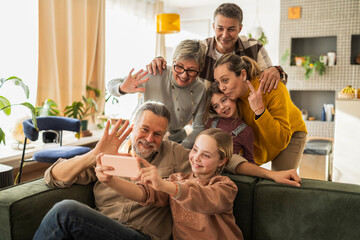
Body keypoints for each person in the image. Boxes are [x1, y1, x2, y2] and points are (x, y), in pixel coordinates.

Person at [33, 101, 301, 240]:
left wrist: (270, 174)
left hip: (141, 236)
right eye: (145, 130)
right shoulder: (109, 152)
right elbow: (54, 177)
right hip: (100, 231)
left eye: (158, 134)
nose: (150, 139)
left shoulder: (178, 160)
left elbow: (222, 161)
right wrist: (94, 155)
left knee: (64, 212)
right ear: (132, 126)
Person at [95, 128, 244, 240]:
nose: (196, 158)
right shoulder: (177, 179)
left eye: (205, 155)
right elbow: (144, 194)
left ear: (222, 161)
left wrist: (163, 184)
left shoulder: (225, 186)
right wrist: (110, 181)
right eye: (195, 150)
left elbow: (203, 198)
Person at [146, 3, 287, 93]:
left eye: (231, 29)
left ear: (240, 28)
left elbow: (274, 79)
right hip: (207, 118)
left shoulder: (253, 47)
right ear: (213, 27)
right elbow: (178, 71)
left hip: (245, 118)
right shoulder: (200, 48)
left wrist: (277, 70)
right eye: (220, 28)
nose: (225, 35)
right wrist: (159, 60)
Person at [213, 53, 307, 171]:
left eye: (225, 80)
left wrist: (260, 111)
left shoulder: (272, 88)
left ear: (243, 75)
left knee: (282, 185)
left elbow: (280, 141)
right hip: (264, 140)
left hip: (290, 135)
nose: (221, 87)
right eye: (218, 82)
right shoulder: (231, 98)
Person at [107, 39, 207, 149]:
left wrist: (179, 150)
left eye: (191, 70)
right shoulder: (155, 73)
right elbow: (111, 85)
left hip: (175, 142)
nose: (184, 75)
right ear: (172, 61)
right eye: (179, 66)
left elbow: (198, 127)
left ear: (200, 69)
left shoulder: (200, 89)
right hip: (141, 138)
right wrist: (121, 88)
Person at [203, 82, 255, 164]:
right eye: (216, 106)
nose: (222, 107)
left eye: (223, 100)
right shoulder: (211, 123)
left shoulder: (246, 131)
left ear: (232, 96)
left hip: (226, 170)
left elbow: (250, 161)